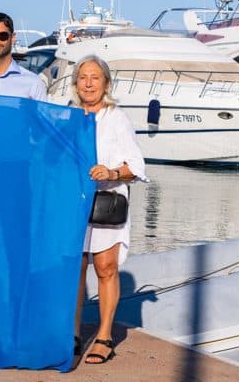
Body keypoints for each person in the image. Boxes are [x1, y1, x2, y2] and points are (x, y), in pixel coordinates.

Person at [71, 55, 147, 364]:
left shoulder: (117, 118)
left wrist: (112, 173)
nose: (88, 82)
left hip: (106, 202)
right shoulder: (69, 116)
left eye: (95, 77)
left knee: (105, 268)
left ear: (106, 84)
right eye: (83, 77)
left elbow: (137, 165)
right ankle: (73, 334)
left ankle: (104, 336)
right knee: (74, 271)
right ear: (76, 83)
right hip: (73, 203)